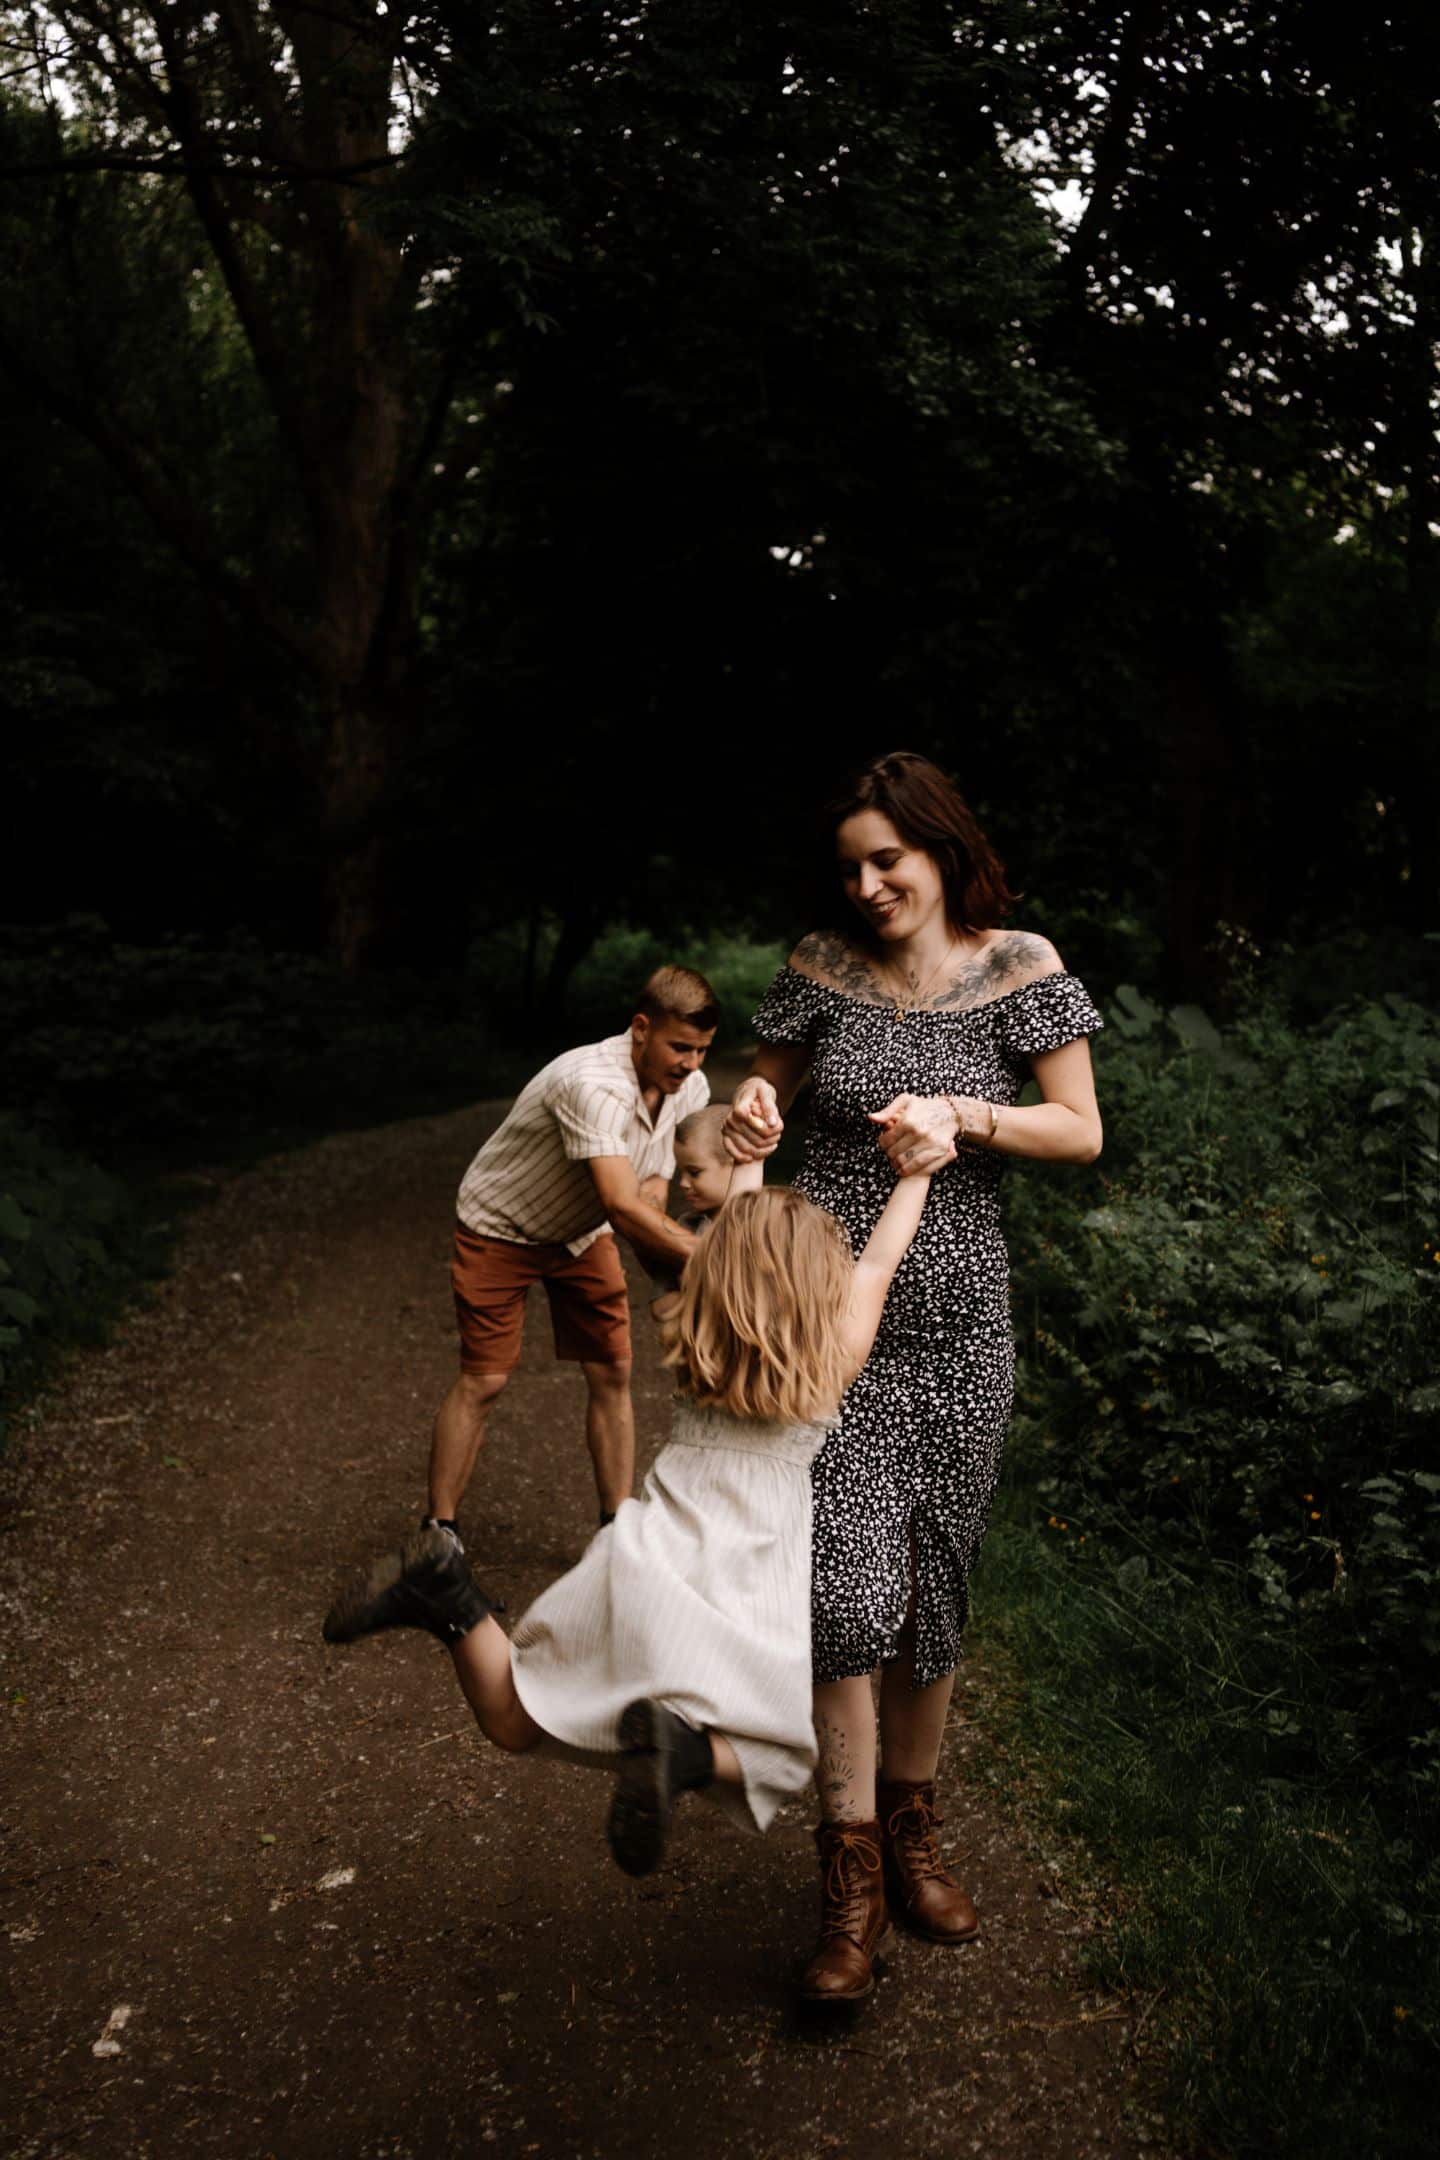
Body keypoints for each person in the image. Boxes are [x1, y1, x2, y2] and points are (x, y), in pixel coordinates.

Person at [723, 748, 1104, 2006]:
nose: (868, 886)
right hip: (826, 1322)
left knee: (933, 1595)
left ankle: (911, 1833)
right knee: (845, 1598)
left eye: (887, 860)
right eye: (850, 869)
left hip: (959, 1331)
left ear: (940, 848)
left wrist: (964, 1113)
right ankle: (848, 1885)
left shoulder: (1020, 966)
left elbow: (1080, 1128)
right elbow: (758, 1097)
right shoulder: (819, 968)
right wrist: (751, 1113)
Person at [321, 1144, 940, 1882]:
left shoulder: (692, 1326)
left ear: (716, 1268)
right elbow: (878, 1264)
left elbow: (730, 1242)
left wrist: (749, 1161)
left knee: (516, 1714)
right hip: (740, 1583)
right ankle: (680, 1752)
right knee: (780, 1758)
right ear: (821, 1285)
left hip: (646, 1558)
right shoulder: (832, 1357)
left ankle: (448, 1596)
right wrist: (916, 1175)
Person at [429, 966, 717, 1540]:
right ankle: (438, 1531)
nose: (691, 1063)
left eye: (702, 1050)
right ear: (641, 1028)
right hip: (502, 1227)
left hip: (581, 1234)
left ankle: (616, 1532)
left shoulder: (691, 1089)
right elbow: (621, 1205)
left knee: (613, 1369)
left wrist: (672, 1267)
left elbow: (651, 1189)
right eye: (680, 1047)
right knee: (485, 1379)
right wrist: (722, 1260)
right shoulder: (591, 1083)